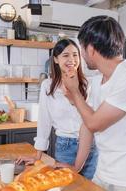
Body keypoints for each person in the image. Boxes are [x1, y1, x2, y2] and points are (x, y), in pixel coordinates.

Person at [61, 16, 126, 191]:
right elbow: (87, 126)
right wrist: (76, 167)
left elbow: (95, 123)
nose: (81, 55)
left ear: (90, 48)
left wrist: (75, 93)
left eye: (81, 48)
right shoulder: (97, 81)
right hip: (104, 173)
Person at [16, 38, 98, 179]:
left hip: (90, 148)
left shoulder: (89, 84)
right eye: (65, 55)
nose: (71, 59)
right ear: (55, 59)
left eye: (75, 55)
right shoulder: (48, 86)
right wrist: (38, 156)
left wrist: (75, 96)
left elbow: (91, 120)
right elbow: (44, 121)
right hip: (64, 147)